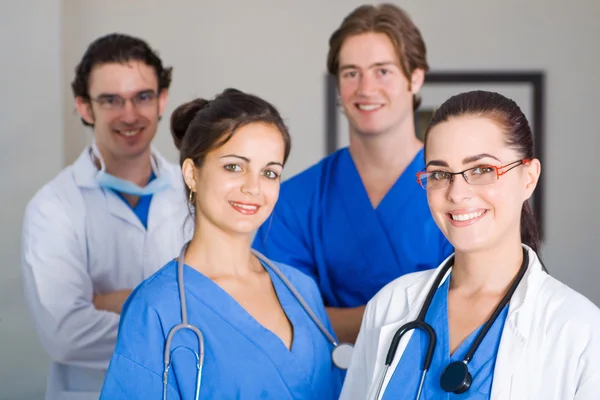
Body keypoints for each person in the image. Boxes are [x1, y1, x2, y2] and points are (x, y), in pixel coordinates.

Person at [339, 90, 600, 400]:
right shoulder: (390, 305)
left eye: (482, 170)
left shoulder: (579, 329)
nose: (457, 193)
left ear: (528, 178)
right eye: (439, 174)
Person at [99, 88, 345, 399]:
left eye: (270, 172)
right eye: (234, 167)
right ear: (192, 174)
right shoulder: (156, 308)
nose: (253, 187)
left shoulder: (301, 290)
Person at [252, 3, 453, 344]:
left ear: (415, 77)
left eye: (382, 71)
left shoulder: (458, 190)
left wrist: (334, 319)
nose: (365, 88)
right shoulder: (295, 200)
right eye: (351, 73)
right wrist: (419, 313)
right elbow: (279, 316)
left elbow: (480, 306)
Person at [20, 33, 191, 399]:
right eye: (111, 100)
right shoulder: (53, 206)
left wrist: (110, 301)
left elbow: (229, 296)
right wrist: (181, 314)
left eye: (142, 97)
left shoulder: (194, 191)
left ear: (161, 100)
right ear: (85, 107)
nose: (129, 115)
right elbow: (65, 334)